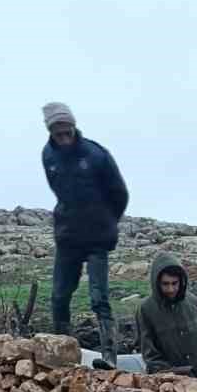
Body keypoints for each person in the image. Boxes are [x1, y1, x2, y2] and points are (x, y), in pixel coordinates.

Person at [41, 103, 129, 367]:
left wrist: (106, 222)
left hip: (97, 238)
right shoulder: (48, 155)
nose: (63, 136)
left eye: (66, 130)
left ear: (73, 126)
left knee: (99, 297)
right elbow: (58, 191)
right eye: (58, 132)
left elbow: (119, 193)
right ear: (50, 131)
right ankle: (61, 353)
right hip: (68, 238)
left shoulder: (96, 155)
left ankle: (109, 356)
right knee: (59, 296)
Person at [136, 253, 197, 379]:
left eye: (174, 283)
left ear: (181, 281)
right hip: (169, 383)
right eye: (165, 284)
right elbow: (150, 356)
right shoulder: (146, 310)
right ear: (157, 283)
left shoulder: (194, 303)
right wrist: (177, 374)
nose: (171, 289)